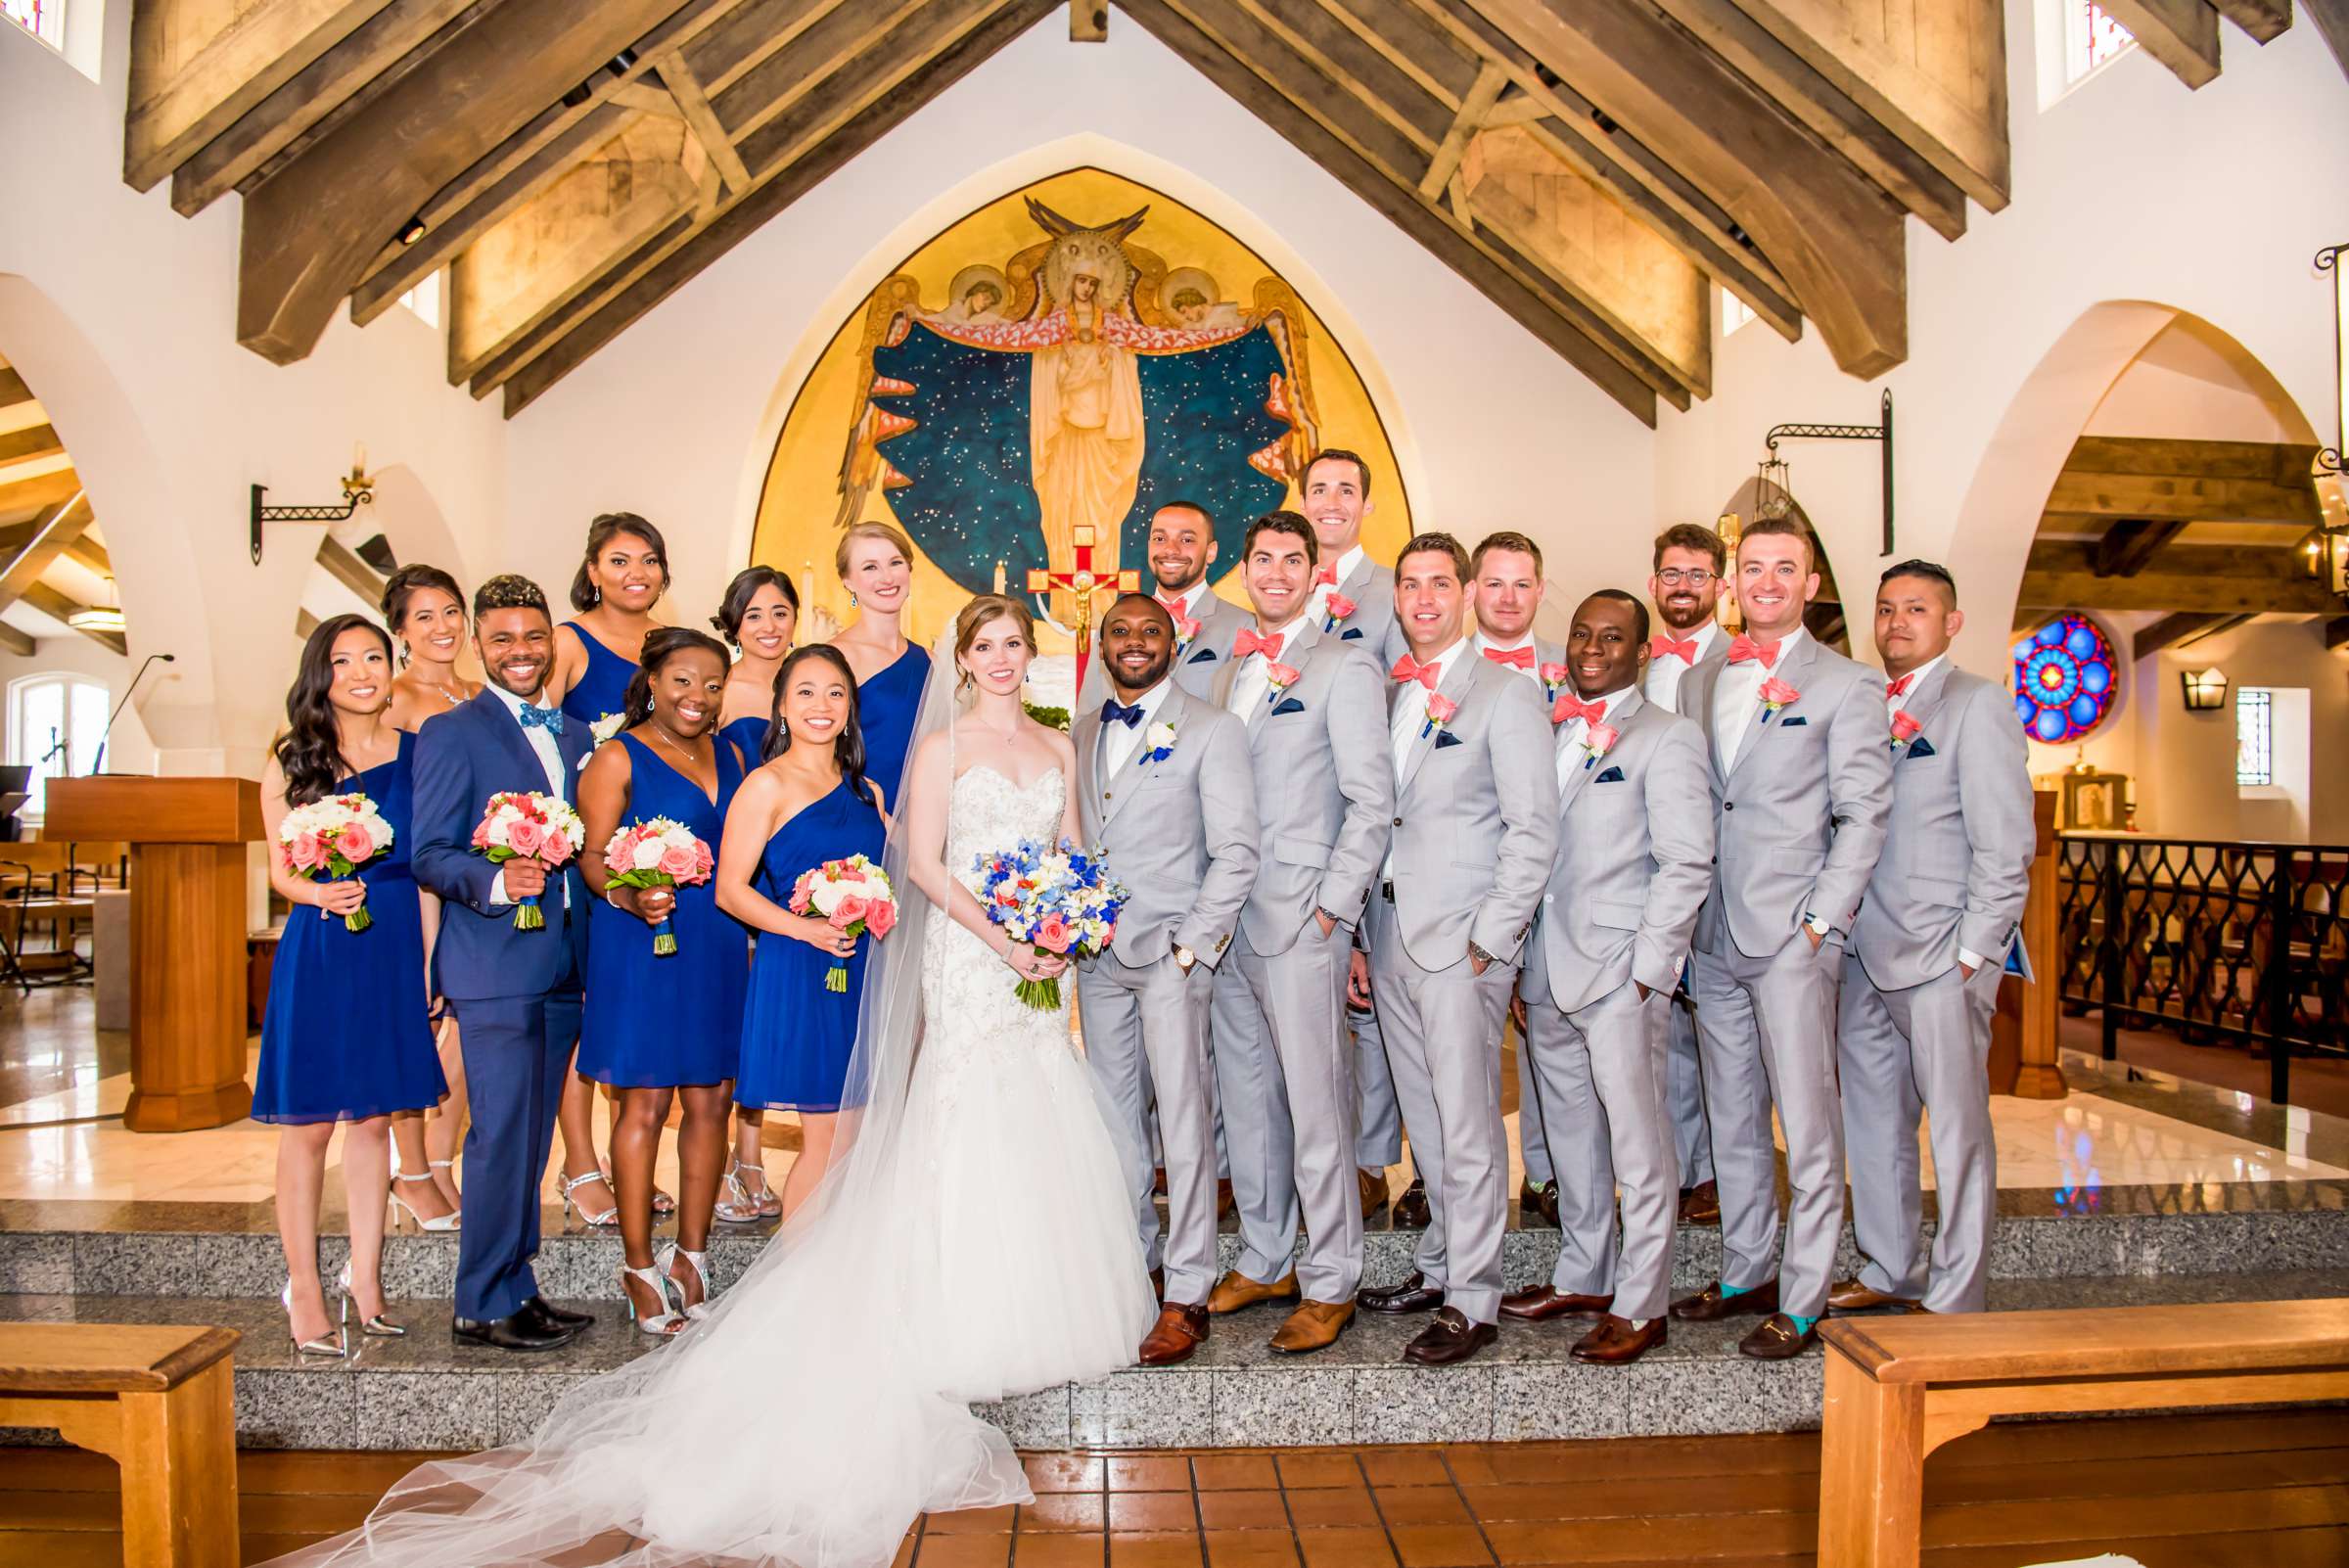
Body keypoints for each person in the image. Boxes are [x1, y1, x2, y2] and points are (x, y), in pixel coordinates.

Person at [271, 594, 1156, 1568]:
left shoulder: (1019, 756)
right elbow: (912, 861)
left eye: (1013, 645)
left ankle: (1024, 1295)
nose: (999, 657)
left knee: (987, 1122)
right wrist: (994, 932)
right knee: (898, 1121)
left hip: (1020, 954)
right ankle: (772, 1287)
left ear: (1030, 658)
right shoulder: (860, 763)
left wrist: (1060, 926)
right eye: (983, 644)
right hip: (952, 951)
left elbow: (1068, 851)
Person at [1670, 517, 1892, 1360]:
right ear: (1733, 581)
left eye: (1785, 568)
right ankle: (1745, 1270)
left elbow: (1865, 812)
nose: (1766, 581)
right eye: (1753, 567)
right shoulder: (1703, 680)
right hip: (1713, 929)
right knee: (1730, 1112)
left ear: (1810, 585)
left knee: (1806, 1117)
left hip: (1793, 931)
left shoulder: (1846, 685)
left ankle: (1802, 1297)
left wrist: (1820, 920)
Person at [1354, 532, 1555, 1367]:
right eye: (1410, 585)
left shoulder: (1506, 694)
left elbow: (1534, 827)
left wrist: (1490, 940)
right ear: (1396, 597)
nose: (1424, 599)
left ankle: (1474, 1299)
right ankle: (1439, 1266)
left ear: (1466, 593)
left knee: (1469, 1126)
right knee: (1428, 1122)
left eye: (1441, 583)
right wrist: (1367, 936)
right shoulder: (1390, 693)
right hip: (1393, 938)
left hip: (1461, 944)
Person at [1502, 591, 1711, 1365]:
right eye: (1584, 634)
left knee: (1640, 1141)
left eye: (1612, 637)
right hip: (1547, 966)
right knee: (1571, 1135)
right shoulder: (1545, 728)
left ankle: (1642, 1299)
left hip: (1621, 972)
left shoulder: (1668, 738)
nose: (1593, 648)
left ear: (1641, 652)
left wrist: (1649, 973)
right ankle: (1584, 1272)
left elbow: (1687, 861)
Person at [1204, 512, 1391, 1354]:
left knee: (1317, 1107)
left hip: (1298, 914)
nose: (1276, 572)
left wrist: (1333, 908)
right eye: (1262, 558)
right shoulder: (1223, 671)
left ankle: (1333, 1276)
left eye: (1293, 560)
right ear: (1244, 570)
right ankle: (1269, 1251)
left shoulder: (1343, 665)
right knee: (1246, 1100)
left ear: (1318, 573)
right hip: (1225, 920)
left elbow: (1371, 799)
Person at [1833, 561, 2032, 1316]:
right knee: (1875, 1121)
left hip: (1941, 956)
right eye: (1886, 609)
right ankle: (1890, 1268)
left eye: (1916, 609)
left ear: (1951, 622)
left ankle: (1956, 1292)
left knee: (1957, 1131)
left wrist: (1973, 952)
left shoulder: (1976, 705)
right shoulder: (1862, 705)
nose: (1897, 623)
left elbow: (2007, 842)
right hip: (1860, 953)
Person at [411, 575, 595, 1354]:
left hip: (562, 962)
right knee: (497, 1133)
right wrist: (494, 879)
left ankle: (519, 1285)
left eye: (532, 637)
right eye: (503, 640)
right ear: (480, 645)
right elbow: (428, 852)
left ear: (552, 638)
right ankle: (480, 1301)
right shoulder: (455, 732)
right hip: (493, 962)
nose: (520, 652)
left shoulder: (580, 735)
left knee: (529, 1138)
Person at [253, 615, 447, 1356]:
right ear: (320, 673)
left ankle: (364, 1276)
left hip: (397, 939)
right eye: (343, 661)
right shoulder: (293, 757)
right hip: (326, 943)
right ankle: (302, 1283)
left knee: (373, 1122)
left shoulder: (418, 752)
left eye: (373, 656)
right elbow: (279, 867)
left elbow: (427, 869)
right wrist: (317, 895)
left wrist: (429, 966)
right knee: (309, 1125)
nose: (362, 672)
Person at [1074, 592, 1259, 1367]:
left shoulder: (1213, 729)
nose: (1136, 642)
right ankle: (1134, 1266)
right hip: (1097, 960)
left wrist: (1191, 949)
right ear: (1104, 645)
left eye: (1151, 631)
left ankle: (1187, 1289)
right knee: (1115, 1126)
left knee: (1185, 1127)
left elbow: (1238, 850)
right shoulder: (1083, 733)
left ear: (1173, 642)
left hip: (1172, 958)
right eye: (1121, 631)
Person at [576, 628, 750, 1333]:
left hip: (715, 944)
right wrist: (626, 893)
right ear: (652, 679)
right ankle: (640, 1267)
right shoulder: (616, 757)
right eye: (682, 681)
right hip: (642, 942)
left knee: (711, 1104)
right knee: (643, 1105)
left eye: (712, 685)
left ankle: (694, 1259)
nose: (697, 697)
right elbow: (590, 856)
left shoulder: (734, 752)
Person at [721, 645, 889, 1222]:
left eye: (836, 693)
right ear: (783, 707)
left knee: (859, 1138)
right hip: (804, 966)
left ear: (851, 708)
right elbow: (731, 890)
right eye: (807, 692)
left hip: (865, 969)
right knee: (828, 1139)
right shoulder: (766, 785)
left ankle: (836, 1273)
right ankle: (796, 1286)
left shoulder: (868, 793)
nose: (823, 705)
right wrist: (807, 931)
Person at [547, 514, 676, 1234]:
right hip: (586, 856)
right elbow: (535, 732)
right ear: (592, 570)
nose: (637, 572)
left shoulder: (667, 646)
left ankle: (633, 1165)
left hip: (657, 859)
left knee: (637, 1017)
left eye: (649, 559)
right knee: (585, 1013)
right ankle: (580, 1166)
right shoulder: (569, 641)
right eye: (619, 560)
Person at [1294, 448, 1411, 1221]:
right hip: (1303, 824)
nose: (1332, 500)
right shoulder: (1281, 584)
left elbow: (1410, 703)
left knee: (1369, 1004)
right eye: (1318, 489)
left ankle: (1370, 1161)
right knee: (1308, 1009)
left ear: (1366, 505)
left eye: (1346, 489)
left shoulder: (1391, 595)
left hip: (1371, 817)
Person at [1465, 530, 1566, 1225]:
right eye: (1494, 583)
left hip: (1558, 890)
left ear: (1540, 590)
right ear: (1472, 591)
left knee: (1548, 1042)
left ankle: (1549, 1171)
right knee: (1461, 1055)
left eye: (1521, 584)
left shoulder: (1576, 668)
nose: (1507, 597)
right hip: (1467, 895)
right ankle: (1442, 1181)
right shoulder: (1435, 674)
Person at [379, 564, 476, 1231]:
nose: (442, 627)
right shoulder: (392, 698)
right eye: (424, 617)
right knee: (416, 1025)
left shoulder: (480, 691)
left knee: (469, 1028)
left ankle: (441, 1165)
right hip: (417, 879)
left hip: (478, 877)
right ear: (400, 631)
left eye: (450, 612)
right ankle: (409, 1171)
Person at [709, 564, 801, 1222]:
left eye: (779, 612)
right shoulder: (721, 687)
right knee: (725, 1024)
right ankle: (714, 1168)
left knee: (763, 1022)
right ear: (735, 625)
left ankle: (751, 1156)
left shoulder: (809, 683)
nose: (769, 627)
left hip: (789, 860)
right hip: (733, 853)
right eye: (755, 615)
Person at [1646, 524, 1730, 1226]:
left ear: (1719, 586)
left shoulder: (1744, 664)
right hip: (1646, 876)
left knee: (1724, 1041)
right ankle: (1677, 1168)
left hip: (1723, 883)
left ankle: (1723, 1174)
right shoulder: (1632, 662)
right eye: (1672, 574)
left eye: (1697, 575)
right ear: (1654, 584)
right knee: (1667, 1038)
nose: (1683, 587)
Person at [1076, 500, 1245, 709]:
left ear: (1211, 551)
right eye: (1159, 538)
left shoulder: (1243, 627)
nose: (1170, 549)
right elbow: (1088, 715)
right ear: (1149, 547)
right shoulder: (1114, 626)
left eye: (1187, 539)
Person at [830, 521, 931, 800]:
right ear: (847, 580)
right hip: (857, 813)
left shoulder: (932, 661)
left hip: (924, 815)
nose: (887, 577)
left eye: (895, 563)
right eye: (870, 567)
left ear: (909, 569)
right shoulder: (833, 660)